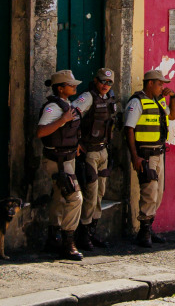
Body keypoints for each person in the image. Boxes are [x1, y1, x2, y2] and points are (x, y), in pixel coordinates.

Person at [124, 69, 175, 247]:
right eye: (160, 84)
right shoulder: (137, 102)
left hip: (159, 152)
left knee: (158, 193)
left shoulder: (158, 101)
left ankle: (149, 228)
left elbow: (172, 115)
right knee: (149, 192)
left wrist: (173, 98)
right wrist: (135, 156)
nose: (162, 87)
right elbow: (129, 129)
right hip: (145, 155)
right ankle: (144, 232)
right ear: (150, 83)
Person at [36, 70, 85, 260]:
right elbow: (41, 132)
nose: (74, 87)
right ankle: (68, 243)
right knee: (75, 198)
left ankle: (53, 239)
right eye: (70, 85)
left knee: (59, 198)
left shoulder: (67, 104)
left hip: (67, 159)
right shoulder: (53, 108)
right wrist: (62, 120)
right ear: (60, 88)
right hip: (58, 161)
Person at [72, 68, 117, 251]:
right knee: (90, 194)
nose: (105, 85)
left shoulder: (109, 99)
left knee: (100, 193)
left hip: (103, 151)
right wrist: (76, 142)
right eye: (102, 81)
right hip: (89, 152)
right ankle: (82, 235)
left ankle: (92, 232)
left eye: (109, 83)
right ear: (95, 80)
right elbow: (72, 116)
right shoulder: (88, 97)